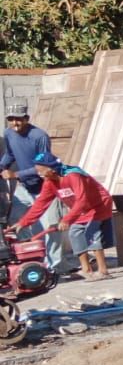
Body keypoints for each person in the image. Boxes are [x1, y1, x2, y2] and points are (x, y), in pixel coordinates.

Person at [19, 154, 115, 280]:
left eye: (41, 171)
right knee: (74, 233)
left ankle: (103, 271)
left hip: (98, 205)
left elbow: (82, 199)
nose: (39, 174)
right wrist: (24, 222)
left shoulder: (73, 176)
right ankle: (86, 270)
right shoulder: (50, 183)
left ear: (51, 169)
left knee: (92, 233)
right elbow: (41, 203)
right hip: (80, 209)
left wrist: (66, 219)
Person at [1, 103, 67, 271]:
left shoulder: (39, 136)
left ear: (27, 118)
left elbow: (43, 165)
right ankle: (29, 261)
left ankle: (53, 268)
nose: (15, 123)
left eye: (19, 119)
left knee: (50, 228)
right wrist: (2, 167)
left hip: (46, 188)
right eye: (11, 119)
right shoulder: (8, 133)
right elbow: (10, 154)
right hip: (24, 189)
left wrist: (15, 175)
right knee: (16, 224)